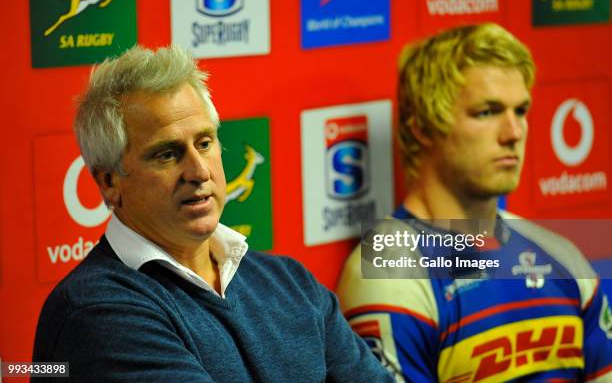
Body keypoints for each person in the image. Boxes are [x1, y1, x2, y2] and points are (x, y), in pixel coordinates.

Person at [32, 44, 393, 382]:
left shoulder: (289, 282)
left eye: (204, 143)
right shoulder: (95, 312)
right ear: (110, 182)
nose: (199, 171)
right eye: (167, 154)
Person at [337, 23, 612, 382]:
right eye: (487, 112)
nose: (514, 133)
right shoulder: (389, 272)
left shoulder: (561, 255)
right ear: (421, 126)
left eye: (521, 111)